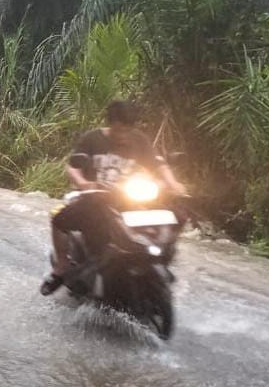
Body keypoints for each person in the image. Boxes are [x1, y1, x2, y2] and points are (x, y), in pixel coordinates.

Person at [40, 100, 185, 296]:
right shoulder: (92, 139)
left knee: (175, 216)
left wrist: (173, 184)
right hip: (94, 200)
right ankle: (62, 267)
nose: (123, 135)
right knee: (59, 219)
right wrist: (84, 183)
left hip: (129, 201)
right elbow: (73, 167)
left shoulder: (139, 140)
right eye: (119, 130)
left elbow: (158, 165)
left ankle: (159, 263)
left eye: (128, 130)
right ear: (111, 124)